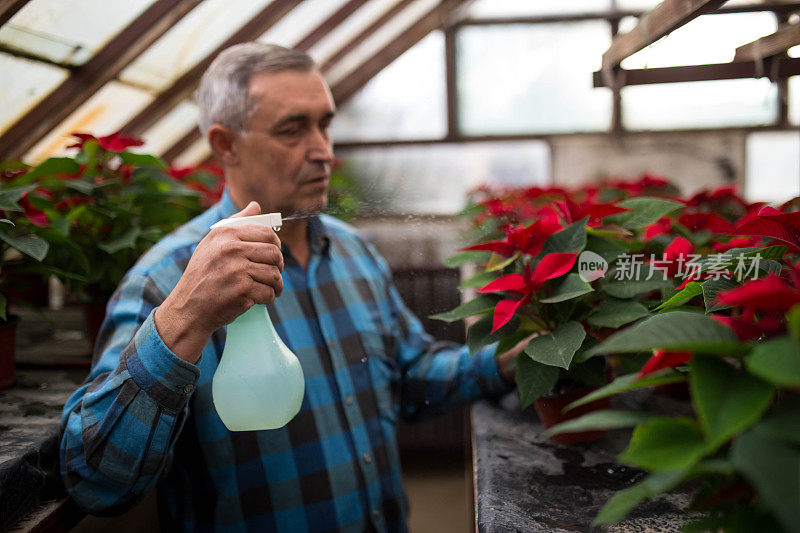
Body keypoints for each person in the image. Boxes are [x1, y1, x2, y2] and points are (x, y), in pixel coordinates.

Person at [59, 43, 522, 532]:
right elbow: (97, 481)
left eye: (324, 124)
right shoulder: (167, 282)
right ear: (225, 145)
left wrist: (513, 360)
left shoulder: (352, 253)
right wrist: (184, 319)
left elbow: (411, 376)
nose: (323, 149)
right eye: (293, 130)